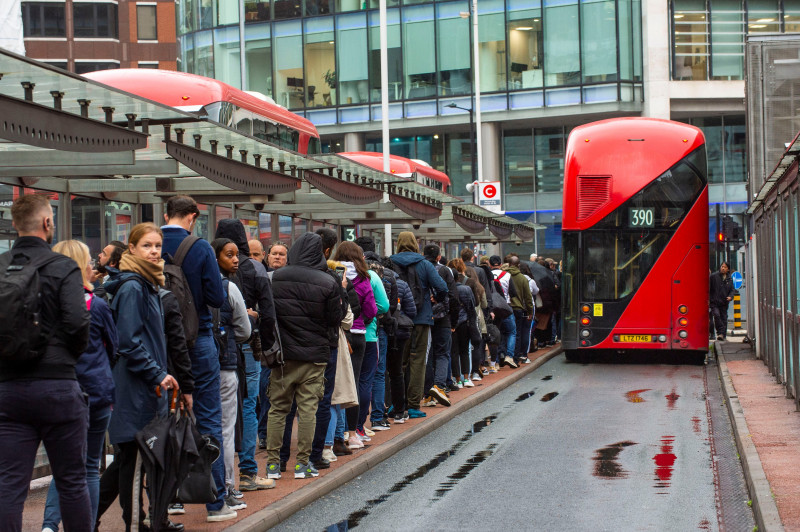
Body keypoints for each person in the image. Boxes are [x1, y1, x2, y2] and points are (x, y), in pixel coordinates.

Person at [0, 194, 91, 532]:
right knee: (71, 480)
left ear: (15, 224)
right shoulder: (61, 266)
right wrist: (66, 358)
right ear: (47, 223)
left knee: (9, 484)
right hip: (57, 386)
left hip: (8, 388)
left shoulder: (1, 265)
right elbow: (78, 323)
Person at [103, 223, 180, 530]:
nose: (154, 251)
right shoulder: (135, 287)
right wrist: (158, 374)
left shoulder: (144, 284)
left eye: (158, 246)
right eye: (147, 245)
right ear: (131, 249)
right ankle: (137, 525)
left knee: (128, 462)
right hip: (138, 389)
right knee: (134, 464)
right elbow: (129, 341)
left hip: (143, 387)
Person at [160, 195, 231, 522]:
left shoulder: (148, 241)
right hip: (198, 338)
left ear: (165, 214)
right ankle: (215, 503)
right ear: (193, 216)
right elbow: (217, 296)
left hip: (160, 342)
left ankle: (168, 500)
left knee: (163, 420)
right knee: (207, 418)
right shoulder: (200, 248)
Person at [41, 240, 118, 532]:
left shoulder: (44, 304)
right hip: (95, 391)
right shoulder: (96, 305)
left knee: (63, 466)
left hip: (57, 389)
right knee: (87, 468)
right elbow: (114, 347)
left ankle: (49, 526)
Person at [267, 232, 344, 480]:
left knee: (278, 409)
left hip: (283, 355)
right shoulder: (327, 281)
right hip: (314, 354)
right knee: (308, 410)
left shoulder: (276, 278)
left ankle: (273, 464)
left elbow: (269, 314)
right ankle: (303, 464)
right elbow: (335, 318)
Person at [214, 220, 276, 494]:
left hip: (213, 348)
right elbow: (269, 308)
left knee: (214, 412)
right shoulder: (254, 268)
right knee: (248, 404)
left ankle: (214, 477)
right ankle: (248, 471)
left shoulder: (209, 266)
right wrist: (269, 342)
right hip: (248, 344)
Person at [210, 238, 258, 510]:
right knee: (226, 428)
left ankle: (180, 494)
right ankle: (226, 487)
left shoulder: (189, 286)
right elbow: (244, 330)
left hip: (191, 367)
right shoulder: (228, 288)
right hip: (225, 363)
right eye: (230, 255)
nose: (236, 260)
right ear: (215, 258)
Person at [389, 231, 448, 420]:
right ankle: (414, 405)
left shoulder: (390, 262)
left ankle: (396, 404)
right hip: (421, 318)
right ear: (416, 244)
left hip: (398, 319)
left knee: (398, 363)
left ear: (398, 243)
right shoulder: (424, 264)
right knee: (418, 361)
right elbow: (442, 288)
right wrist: (433, 300)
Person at [333, 241, 377, 449]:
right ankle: (352, 432)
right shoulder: (362, 277)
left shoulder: (330, 271)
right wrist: (363, 321)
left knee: (334, 384)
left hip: (335, 333)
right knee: (354, 383)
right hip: (357, 333)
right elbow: (371, 308)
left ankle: (334, 433)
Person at [424, 244, 458, 402]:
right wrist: (453, 321)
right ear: (439, 257)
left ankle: (427, 393)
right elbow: (453, 296)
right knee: (442, 353)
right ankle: (438, 386)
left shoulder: (419, 267)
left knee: (426, 354)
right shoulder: (445, 270)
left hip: (423, 315)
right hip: (443, 316)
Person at [490, 255, 518, 369]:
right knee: (512, 332)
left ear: (490, 264)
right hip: (505, 308)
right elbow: (513, 293)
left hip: (492, 309)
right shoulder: (507, 275)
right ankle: (509, 356)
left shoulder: (487, 275)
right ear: (501, 264)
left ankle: (495, 361)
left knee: (496, 334)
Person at [507, 255, 534, 365]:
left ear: (509, 264)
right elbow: (528, 297)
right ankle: (515, 358)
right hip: (518, 308)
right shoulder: (523, 278)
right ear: (518, 265)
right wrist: (530, 311)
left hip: (506, 308)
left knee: (506, 333)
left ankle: (503, 356)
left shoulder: (504, 275)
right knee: (517, 333)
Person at [710, 262, 734, 341]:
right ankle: (720, 332)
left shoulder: (729, 279)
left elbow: (732, 290)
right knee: (716, 315)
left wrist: (730, 296)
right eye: (722, 266)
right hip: (714, 301)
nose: (723, 268)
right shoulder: (714, 276)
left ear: (728, 269)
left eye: (725, 267)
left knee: (724, 318)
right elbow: (708, 288)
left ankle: (722, 335)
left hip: (724, 302)